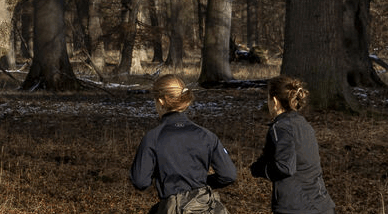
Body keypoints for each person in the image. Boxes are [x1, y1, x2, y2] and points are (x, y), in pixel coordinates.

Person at [131, 74, 237, 214]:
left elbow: (140, 181)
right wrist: (198, 183)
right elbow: (228, 175)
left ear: (161, 101)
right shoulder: (207, 136)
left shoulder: (153, 138)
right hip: (206, 207)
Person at [249, 74, 335, 214]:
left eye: (268, 98)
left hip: (296, 208)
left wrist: (259, 169)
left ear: (275, 101)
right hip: (321, 205)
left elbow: (285, 167)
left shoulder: (280, 127)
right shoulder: (303, 124)